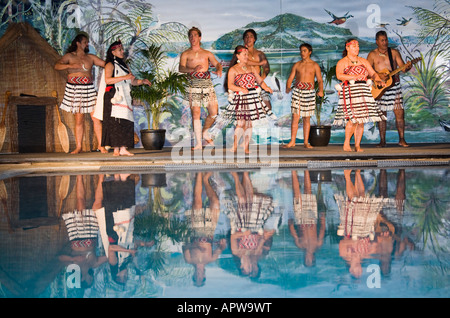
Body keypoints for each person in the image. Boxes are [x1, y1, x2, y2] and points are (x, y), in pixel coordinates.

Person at [212, 45, 275, 154]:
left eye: (247, 54)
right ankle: (235, 146)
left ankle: (246, 147)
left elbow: (259, 81)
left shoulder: (251, 68)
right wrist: (241, 88)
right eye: (244, 54)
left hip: (252, 97)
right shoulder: (233, 69)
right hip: (241, 98)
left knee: (249, 124)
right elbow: (230, 85)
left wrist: (266, 87)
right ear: (238, 56)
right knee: (240, 123)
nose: (247, 56)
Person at [54, 33, 106, 154]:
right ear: (78, 43)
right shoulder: (69, 56)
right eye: (85, 42)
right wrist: (71, 65)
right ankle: (78, 147)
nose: (87, 44)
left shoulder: (90, 57)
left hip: (89, 88)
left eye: (87, 42)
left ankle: (101, 145)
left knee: (96, 118)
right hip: (74, 89)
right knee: (79, 120)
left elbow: (105, 64)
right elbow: (57, 66)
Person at [332, 38, 386, 152]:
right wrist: (353, 77)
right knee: (353, 119)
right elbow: (339, 75)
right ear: (347, 47)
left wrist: (378, 80)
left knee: (361, 120)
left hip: (363, 91)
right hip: (350, 90)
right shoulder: (342, 62)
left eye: (358, 46)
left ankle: (357, 145)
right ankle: (346, 143)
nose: (357, 48)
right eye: (354, 46)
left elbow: (373, 73)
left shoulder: (363, 61)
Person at [99, 40, 151, 157]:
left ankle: (123, 148)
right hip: (114, 96)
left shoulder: (125, 65)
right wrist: (124, 77)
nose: (123, 51)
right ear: (113, 52)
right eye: (120, 50)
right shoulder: (110, 64)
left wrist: (142, 81)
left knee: (125, 122)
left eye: (122, 49)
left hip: (125, 96)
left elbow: (132, 81)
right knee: (115, 123)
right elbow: (108, 80)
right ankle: (116, 149)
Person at [179, 27, 223, 150]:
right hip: (193, 83)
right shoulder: (186, 54)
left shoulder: (207, 53)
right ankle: (198, 143)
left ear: (200, 37)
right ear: (189, 38)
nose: (193, 38)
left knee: (214, 112)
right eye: (190, 36)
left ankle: (205, 132)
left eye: (195, 35)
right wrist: (193, 69)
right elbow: (181, 68)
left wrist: (219, 69)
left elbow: (217, 63)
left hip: (207, 83)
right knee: (196, 113)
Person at [367, 31, 412, 148]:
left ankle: (402, 139)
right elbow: (367, 73)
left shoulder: (394, 52)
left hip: (394, 86)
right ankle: (382, 141)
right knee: (381, 114)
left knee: (399, 112)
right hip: (380, 87)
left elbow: (402, 68)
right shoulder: (372, 55)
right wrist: (378, 76)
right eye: (382, 40)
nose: (385, 42)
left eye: (386, 40)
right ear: (377, 41)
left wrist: (407, 67)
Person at [284, 43, 323, 149]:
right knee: (295, 117)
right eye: (301, 51)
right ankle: (292, 141)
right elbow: (291, 77)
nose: (302, 53)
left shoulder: (315, 65)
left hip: (309, 92)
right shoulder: (297, 64)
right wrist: (288, 86)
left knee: (307, 118)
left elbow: (319, 80)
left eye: (304, 51)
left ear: (310, 52)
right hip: (297, 91)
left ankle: (306, 142)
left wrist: (321, 91)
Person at [243, 29, 272, 110]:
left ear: (254, 39)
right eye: (246, 36)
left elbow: (266, 68)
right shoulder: (240, 53)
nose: (248, 38)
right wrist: (259, 63)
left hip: (258, 83)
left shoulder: (260, 54)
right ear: (244, 39)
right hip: (245, 85)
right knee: (248, 110)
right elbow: (244, 62)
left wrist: (261, 80)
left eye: (251, 36)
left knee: (267, 107)